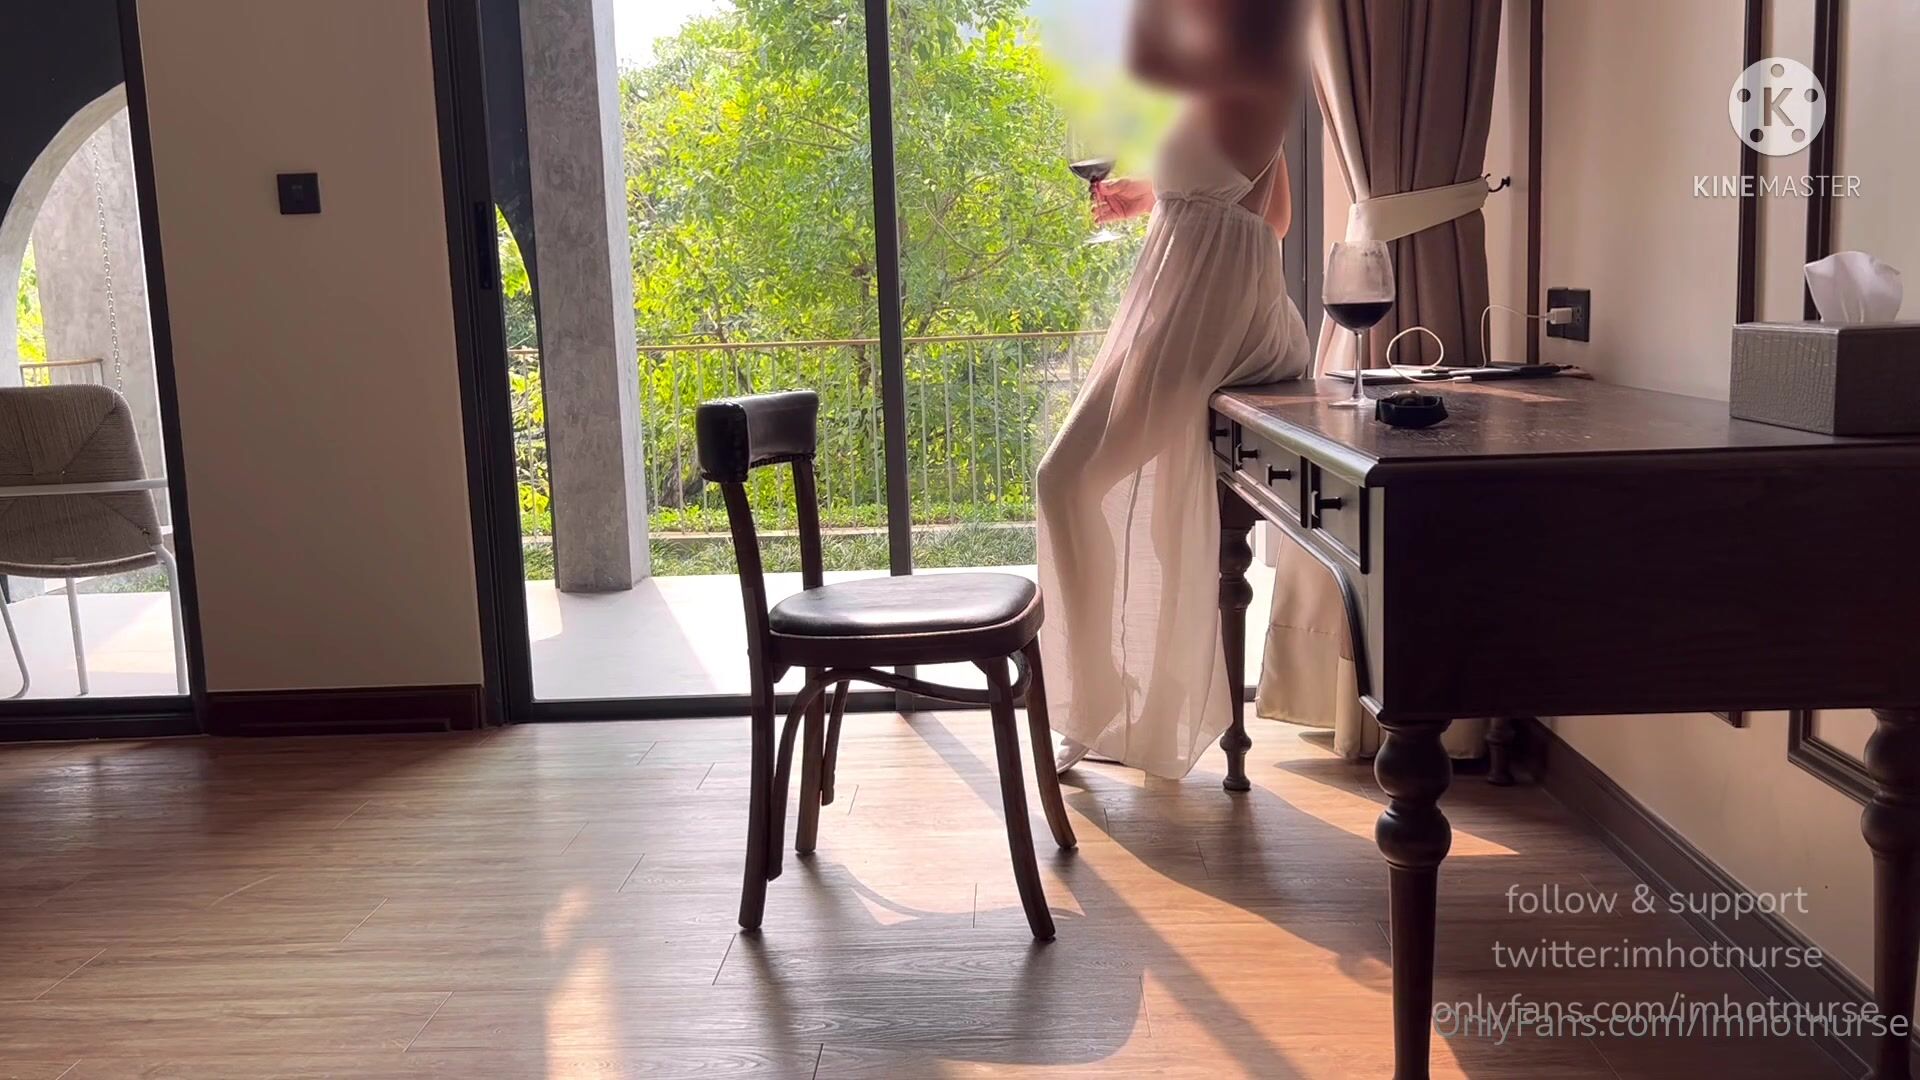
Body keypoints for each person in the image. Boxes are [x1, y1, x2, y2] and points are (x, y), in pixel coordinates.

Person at [1036, 0, 1312, 778]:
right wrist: (1151, 196)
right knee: (1078, 485)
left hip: (1208, 313)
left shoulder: (1254, 73)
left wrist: (1173, 192)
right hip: (1190, 303)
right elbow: (1275, 215)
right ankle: (1109, 695)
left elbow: (1152, 63)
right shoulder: (1232, 82)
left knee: (1067, 480)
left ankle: (1100, 697)